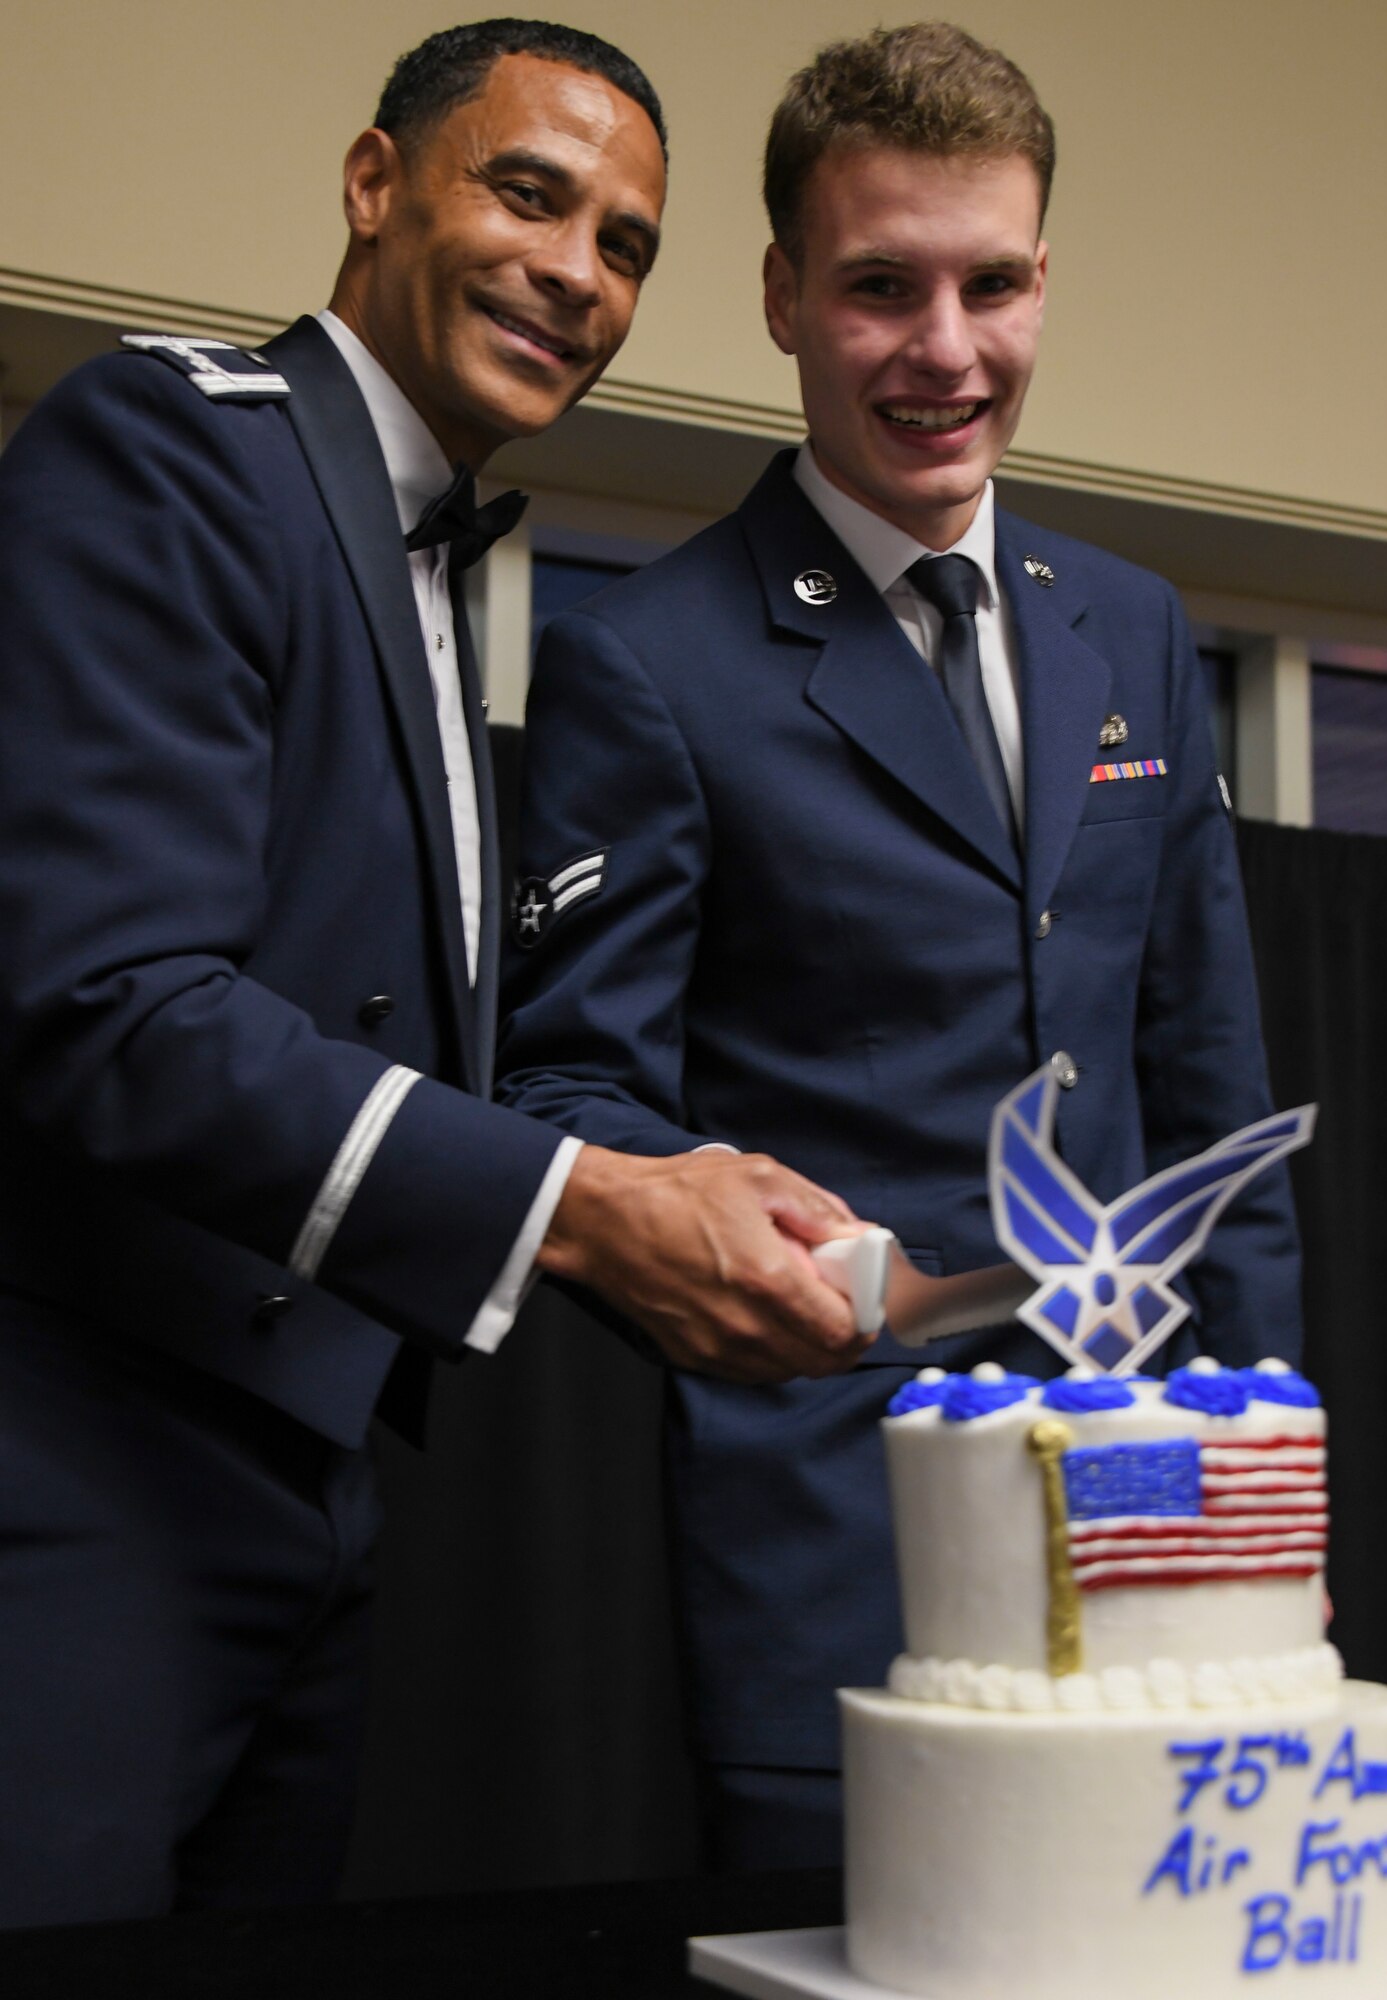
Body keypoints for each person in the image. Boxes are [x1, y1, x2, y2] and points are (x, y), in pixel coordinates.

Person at [0, 19, 871, 1929]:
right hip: (76, 1483)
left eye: (627, 244)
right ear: (374, 184)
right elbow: (109, 1005)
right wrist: (583, 1210)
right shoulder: (171, 443)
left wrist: (690, 1206)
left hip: (308, 1496)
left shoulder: (440, 567)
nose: (579, 270)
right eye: (529, 192)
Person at [496, 22, 1305, 1870]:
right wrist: (772, 1246)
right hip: (833, 1553)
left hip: (1151, 1545)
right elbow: (570, 1087)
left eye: (992, 283)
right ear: (783, 296)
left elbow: (1213, 1101)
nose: (948, 350)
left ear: (1042, 281)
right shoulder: (653, 658)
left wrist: (1260, 1501)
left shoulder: (1139, 627)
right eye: (881, 287)